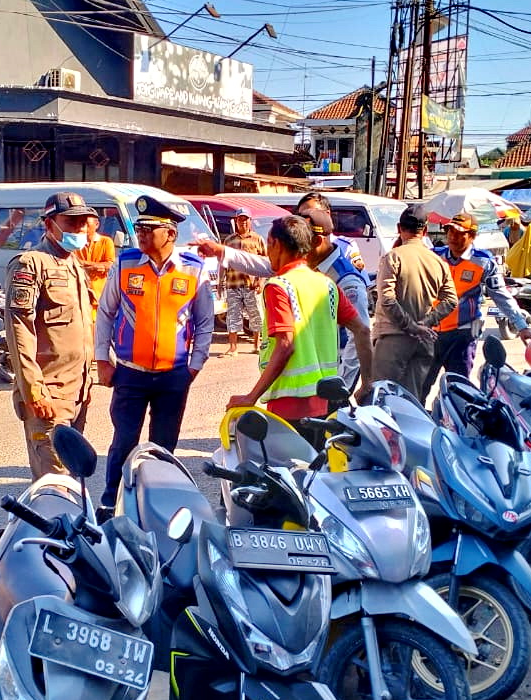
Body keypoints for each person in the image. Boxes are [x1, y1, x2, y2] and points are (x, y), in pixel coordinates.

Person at [94, 197, 214, 519]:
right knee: (124, 442)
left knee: (163, 447)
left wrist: (195, 365)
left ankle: (159, 507)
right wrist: (102, 359)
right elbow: (105, 313)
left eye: (149, 229)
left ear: (170, 234)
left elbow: (204, 321)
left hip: (173, 375)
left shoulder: (194, 269)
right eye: (139, 228)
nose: (142, 234)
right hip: (130, 373)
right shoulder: (125, 264)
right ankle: (111, 503)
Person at [225, 215, 372, 421]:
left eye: (269, 244)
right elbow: (362, 330)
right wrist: (366, 383)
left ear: (276, 244)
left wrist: (251, 397)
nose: (268, 252)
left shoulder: (278, 286)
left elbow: (286, 345)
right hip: (325, 401)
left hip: (289, 402)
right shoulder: (327, 284)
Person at [4, 192, 95, 479]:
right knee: (53, 481)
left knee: (72, 479)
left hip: (77, 391)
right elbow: (19, 329)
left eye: (82, 223)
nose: (78, 229)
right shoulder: (31, 264)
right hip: (49, 392)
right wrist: (34, 389)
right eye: (70, 222)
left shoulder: (74, 265)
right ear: (49, 224)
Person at [426, 213, 531, 392]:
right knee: (419, 387)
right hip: (431, 333)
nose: (453, 237)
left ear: (472, 236)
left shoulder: (483, 261)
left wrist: (521, 326)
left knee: (458, 388)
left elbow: (501, 295)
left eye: (460, 233)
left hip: (462, 335)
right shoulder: (434, 256)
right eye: (450, 231)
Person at [372, 206, 457, 401]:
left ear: (399, 228)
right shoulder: (438, 261)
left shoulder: (393, 257)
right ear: (425, 230)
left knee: (383, 400)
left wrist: (410, 326)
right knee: (412, 401)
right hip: (423, 341)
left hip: (393, 339)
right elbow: (451, 300)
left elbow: (387, 300)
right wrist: (425, 324)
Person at [300, 205, 371, 387]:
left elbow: (359, 335)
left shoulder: (345, 279)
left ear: (317, 241)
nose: (298, 250)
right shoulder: (311, 268)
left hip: (332, 375)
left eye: (302, 243)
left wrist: (342, 383)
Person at [220, 208, 266, 355]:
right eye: (240, 219)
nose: (243, 222)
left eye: (246, 219)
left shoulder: (257, 239)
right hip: (233, 284)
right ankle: (233, 348)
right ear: (236, 221)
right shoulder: (229, 240)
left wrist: (261, 281)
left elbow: (265, 262)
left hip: (251, 285)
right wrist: (220, 282)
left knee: (256, 315)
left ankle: (257, 345)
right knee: (232, 315)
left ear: (250, 221)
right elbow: (223, 262)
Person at [75, 211, 116, 315]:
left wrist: (84, 265)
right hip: (80, 296)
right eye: (81, 224)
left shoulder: (106, 241)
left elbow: (110, 265)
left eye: (86, 224)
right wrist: (98, 266)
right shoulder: (75, 243)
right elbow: (72, 262)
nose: (83, 228)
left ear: (96, 225)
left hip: (100, 296)